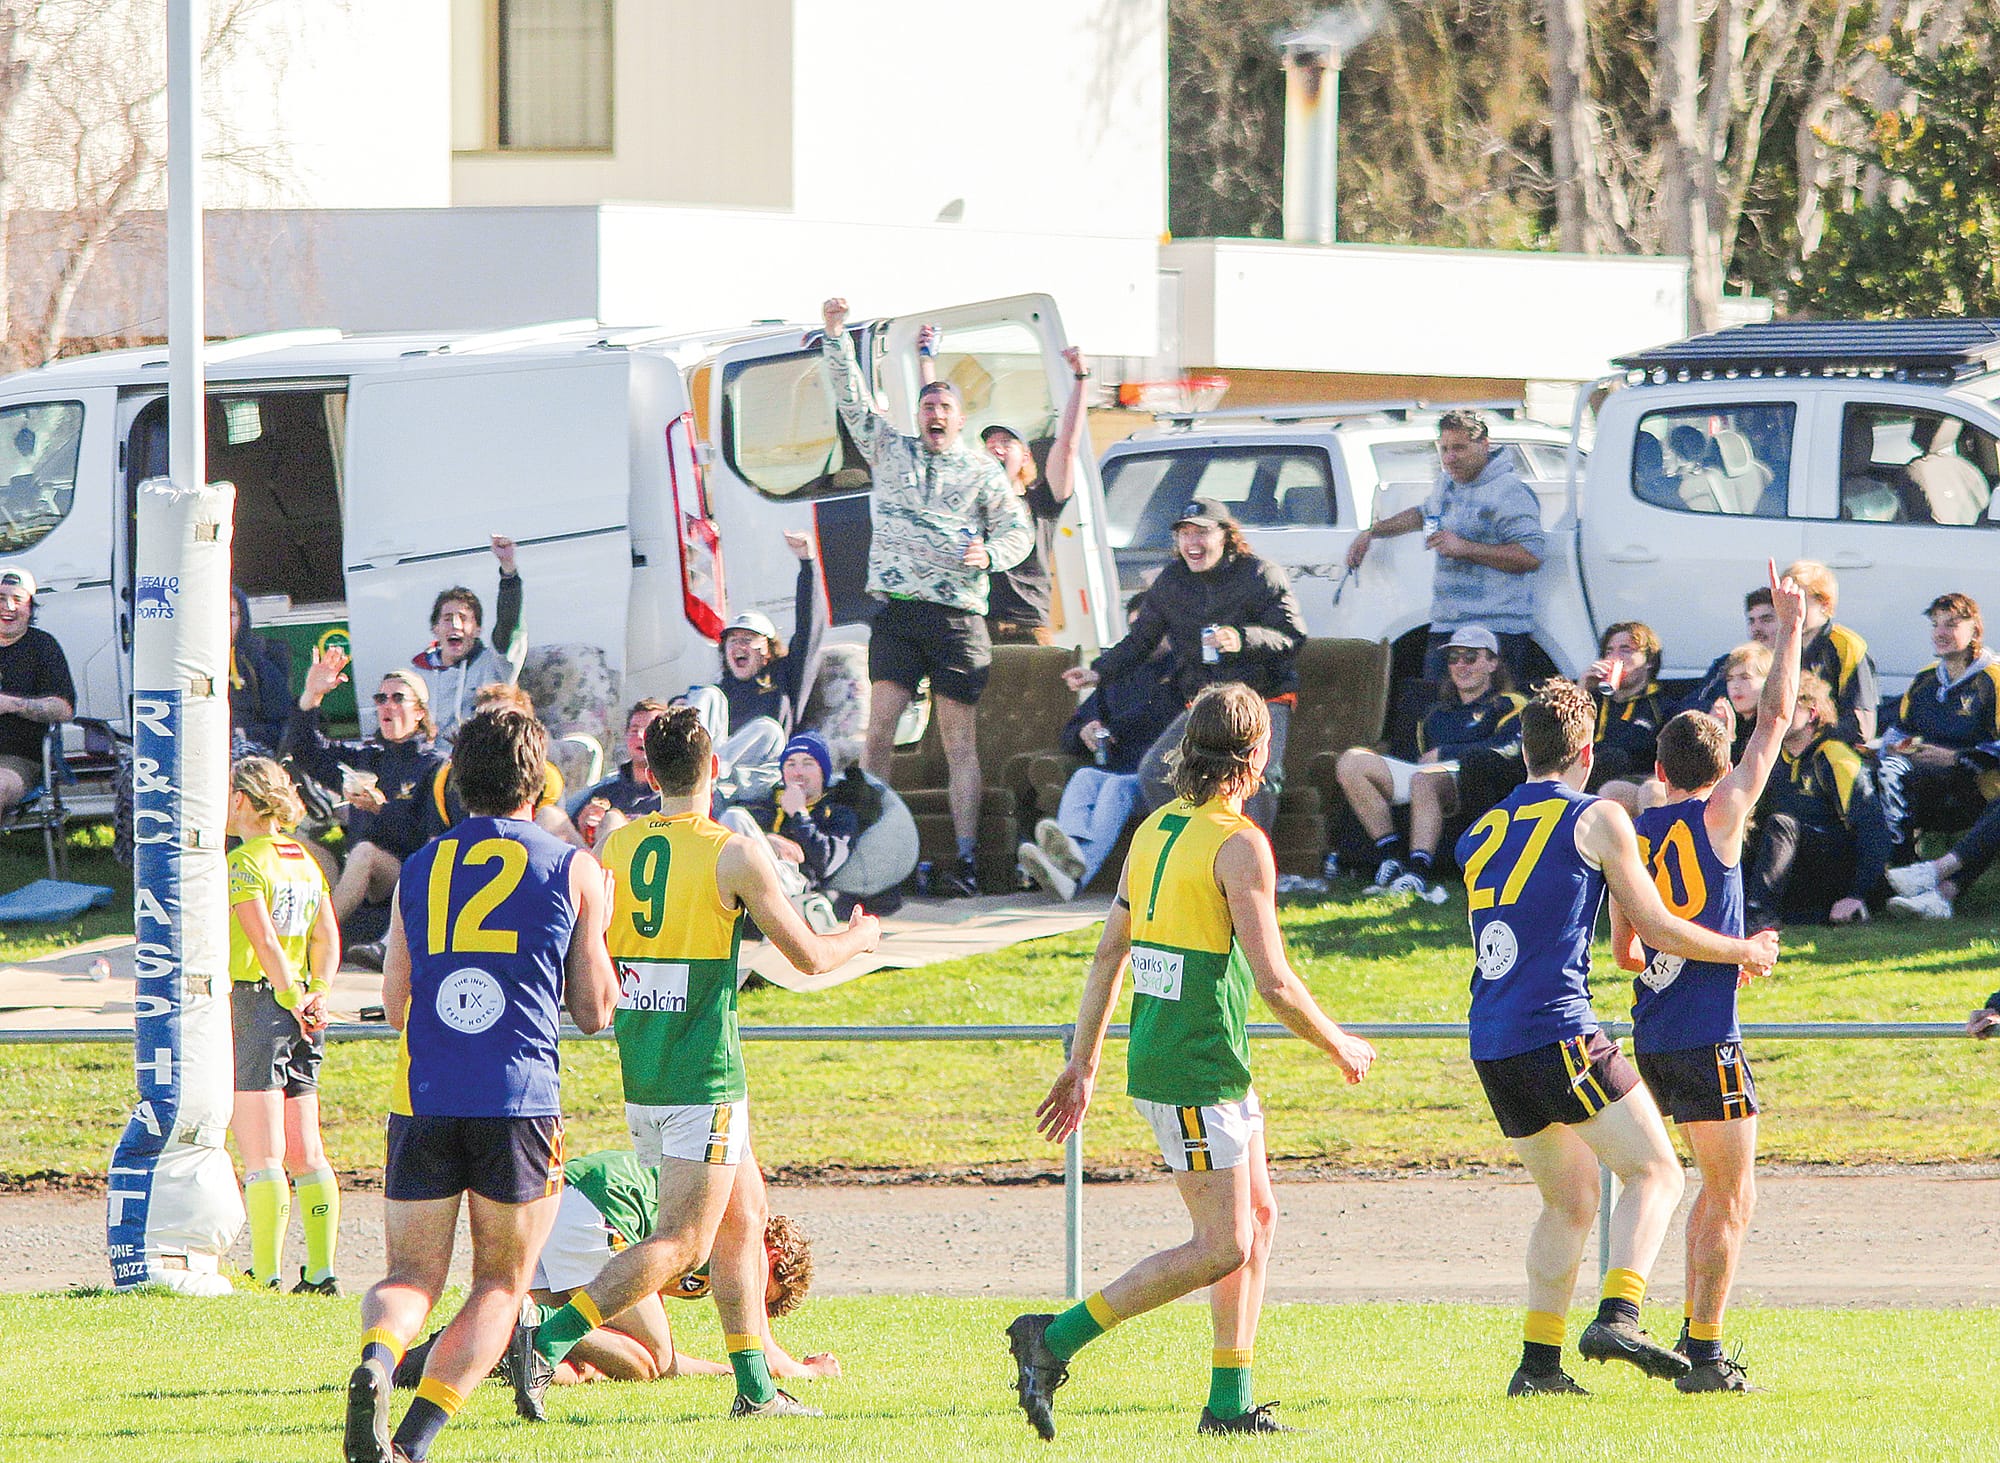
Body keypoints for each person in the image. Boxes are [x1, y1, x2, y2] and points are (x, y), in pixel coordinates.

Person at [1007, 683, 1376, 1440]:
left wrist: (1083, 1062)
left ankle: (1229, 1402)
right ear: (1257, 753)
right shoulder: (1239, 843)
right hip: (1193, 1066)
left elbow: (1110, 950)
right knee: (1224, 1244)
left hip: (1188, 1057)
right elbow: (1272, 979)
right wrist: (1338, 1041)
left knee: (1258, 1221)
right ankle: (1056, 1337)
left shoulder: (1154, 830)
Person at [517, 704, 881, 1423]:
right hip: (703, 1076)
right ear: (714, 769)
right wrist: (860, 937)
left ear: (649, 772)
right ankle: (546, 1340)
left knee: (745, 1221)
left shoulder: (615, 845)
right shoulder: (732, 851)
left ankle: (755, 1388)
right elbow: (806, 955)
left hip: (644, 1070)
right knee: (683, 1242)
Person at [1455, 678, 1778, 1397]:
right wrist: (1742, 951)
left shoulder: (1478, 830)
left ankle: (1539, 1367)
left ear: (1524, 749)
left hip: (1492, 1036)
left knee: (1567, 1201)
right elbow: (1657, 926)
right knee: (1658, 1172)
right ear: (1587, 751)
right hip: (1558, 1026)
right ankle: (1620, 1313)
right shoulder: (1600, 815)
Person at [343, 706, 618, 1463]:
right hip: (518, 1099)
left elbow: (396, 1003)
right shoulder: (573, 866)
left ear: (458, 780)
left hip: (425, 1094)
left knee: (409, 1276)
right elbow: (595, 1011)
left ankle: (377, 1351)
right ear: (540, 780)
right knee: (500, 1283)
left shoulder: (422, 864)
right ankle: (410, 1442)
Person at [1610, 559, 1803, 1393]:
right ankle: (1706, 1350)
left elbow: (1624, 948)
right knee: (1730, 1193)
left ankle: (1644, 1315)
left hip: (1650, 1030)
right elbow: (1779, 720)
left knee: (1671, 1180)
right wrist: (1792, 628)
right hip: (1706, 1032)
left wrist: (1685, 949)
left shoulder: (1641, 830)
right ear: (1718, 769)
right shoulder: (1722, 813)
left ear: (1661, 765)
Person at [821, 296, 1034, 899]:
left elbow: (1018, 531)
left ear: (961, 419)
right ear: (917, 415)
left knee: (957, 742)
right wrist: (835, 335)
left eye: (944, 406)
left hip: (958, 617)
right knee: (880, 728)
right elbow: (853, 403)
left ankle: (966, 857)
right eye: (926, 405)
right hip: (898, 612)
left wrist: (988, 556)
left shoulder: (982, 473)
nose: (934, 413)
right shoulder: (892, 452)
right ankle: (864, 845)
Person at [392, 1148, 835, 1389]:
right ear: (773, 1256)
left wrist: (718, 1368)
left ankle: (438, 1358)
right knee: (649, 1362)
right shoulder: (745, 1236)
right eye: (762, 1291)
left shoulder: (720, 1240)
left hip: (563, 1199)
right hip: (598, 1209)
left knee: (587, 1362)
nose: (741, 1296)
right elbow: (749, 1358)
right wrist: (810, 1372)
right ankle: (526, 1327)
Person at [1065, 499, 1305, 833]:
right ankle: (1197, 851)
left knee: (1257, 780)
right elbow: (1140, 640)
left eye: (1201, 533)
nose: (1192, 543)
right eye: (1184, 534)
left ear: (1225, 535)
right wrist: (1099, 671)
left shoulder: (1261, 574)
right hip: (1206, 700)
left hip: (1261, 698)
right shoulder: (1171, 582)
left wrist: (1241, 639)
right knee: (1156, 774)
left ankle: (1251, 869)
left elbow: (1292, 637)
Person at [225, 756, 341, 1294]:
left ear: (244, 801)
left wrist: (289, 993)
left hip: (260, 1001)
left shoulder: (245, 862)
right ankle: (321, 1270)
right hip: (305, 1011)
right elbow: (327, 938)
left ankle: (266, 1272)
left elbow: (262, 938)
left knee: (262, 1151)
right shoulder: (304, 859)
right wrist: (317, 991)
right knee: (307, 1149)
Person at [1344, 410, 1545, 683]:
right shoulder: (1446, 484)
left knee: (1495, 718)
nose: (1450, 457)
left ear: (1484, 445)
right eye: (1445, 449)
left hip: (1497, 631)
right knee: (1438, 713)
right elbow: (1423, 514)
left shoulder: (1509, 492)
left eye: (1459, 448)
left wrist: (1465, 548)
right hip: (1447, 625)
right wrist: (1373, 532)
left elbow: (1530, 556)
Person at [918, 327, 1088, 646]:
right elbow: (939, 428)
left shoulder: (1041, 501)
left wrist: (1081, 379)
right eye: (990, 444)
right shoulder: (970, 500)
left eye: (1006, 443)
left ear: (1024, 456)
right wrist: (926, 360)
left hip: (1030, 625)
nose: (996, 448)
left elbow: (1067, 444)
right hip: (979, 625)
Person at [1333, 624, 1525, 903]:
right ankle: (1391, 856)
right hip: (1427, 776)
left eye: (1471, 657)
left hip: (1478, 778)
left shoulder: (1510, 703)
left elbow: (1511, 749)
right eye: (1454, 658)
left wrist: (1447, 752)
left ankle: (1418, 871)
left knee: (1425, 778)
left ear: (1493, 663)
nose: (1461, 665)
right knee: (1351, 762)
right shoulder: (1435, 713)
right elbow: (1417, 759)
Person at [1018, 593, 1181, 900]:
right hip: (1117, 770)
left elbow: (1157, 714)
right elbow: (1073, 728)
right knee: (1084, 778)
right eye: (1136, 630)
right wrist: (1085, 731)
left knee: (1114, 789)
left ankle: (1075, 880)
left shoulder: (1182, 671)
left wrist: (1113, 728)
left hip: (1161, 777)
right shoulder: (1118, 676)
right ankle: (1066, 859)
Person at [282, 648, 447, 940]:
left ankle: (315, 940)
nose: (388, 705)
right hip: (353, 870)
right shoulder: (366, 756)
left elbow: (433, 840)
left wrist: (380, 809)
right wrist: (312, 696)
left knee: (365, 853)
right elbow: (306, 751)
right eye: (381, 699)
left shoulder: (433, 764)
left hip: (405, 876)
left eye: (398, 699)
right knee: (288, 844)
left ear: (420, 712)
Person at [1878, 592, 2000, 920]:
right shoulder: (1925, 679)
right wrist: (1902, 748)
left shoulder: (1994, 680)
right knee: (1887, 768)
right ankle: (1902, 875)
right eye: (1935, 625)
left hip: (1978, 790)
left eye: (1951, 624)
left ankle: (1929, 880)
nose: (1940, 632)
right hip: (1928, 783)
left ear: (1975, 630)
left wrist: (1954, 757)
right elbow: (1898, 734)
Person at [679, 530, 828, 795]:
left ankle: (709, 771)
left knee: (767, 728)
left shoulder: (786, 676)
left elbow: (809, 629)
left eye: (748, 639)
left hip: (759, 774)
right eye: (732, 640)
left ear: (767, 650)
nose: (738, 645)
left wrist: (808, 564)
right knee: (703, 696)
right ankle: (689, 770)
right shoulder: (720, 690)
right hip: (714, 782)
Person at [1744, 671, 1890, 929]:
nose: (1774, 713)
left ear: (1812, 714)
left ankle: (1758, 915)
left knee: (1782, 824)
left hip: (1834, 866)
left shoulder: (1835, 757)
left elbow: (1872, 830)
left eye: (1786, 706)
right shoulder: (1772, 757)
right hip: (1793, 867)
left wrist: (1857, 895)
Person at [716, 731, 855, 933]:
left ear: (823, 772)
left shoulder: (837, 813)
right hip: (753, 878)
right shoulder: (766, 804)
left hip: (794, 886)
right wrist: (768, 841)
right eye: (791, 764)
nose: (798, 772)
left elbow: (827, 863)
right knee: (727, 815)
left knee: (734, 817)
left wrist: (800, 814)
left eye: (807, 764)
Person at [419, 682, 583, 849]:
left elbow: (551, 833)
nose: (496, 731)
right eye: (485, 721)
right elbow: (437, 838)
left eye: (508, 722)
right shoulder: (446, 777)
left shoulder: (548, 777)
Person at [410, 535, 524, 746]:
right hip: (431, 764)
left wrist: (508, 571)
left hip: (478, 760)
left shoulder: (494, 665)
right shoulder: (417, 674)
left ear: (478, 629)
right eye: (447, 618)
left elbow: (508, 624)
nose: (455, 625)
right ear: (435, 629)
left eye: (464, 618)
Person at [0, 567, 74, 816]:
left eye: (17, 600)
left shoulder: (42, 646)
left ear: (30, 608)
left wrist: (10, 704)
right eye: (0, 599)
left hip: (17, 760)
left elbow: (63, 709)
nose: (8, 607)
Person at [1781, 559, 1876, 743]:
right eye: (1784, 601)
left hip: (1832, 749)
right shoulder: (1781, 643)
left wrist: (1812, 737)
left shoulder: (1846, 645)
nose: (1788, 609)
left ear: (1824, 603)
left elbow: (1862, 727)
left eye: (1797, 601)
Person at [1579, 621, 1668, 810]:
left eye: (1626, 650)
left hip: (1631, 780)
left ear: (1649, 660)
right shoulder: (1591, 699)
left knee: (1614, 758)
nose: (1615, 658)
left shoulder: (1660, 705)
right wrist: (1581, 690)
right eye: (1609, 651)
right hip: (1584, 777)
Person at [572, 698, 670, 850]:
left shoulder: (675, 793)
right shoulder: (605, 791)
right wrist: (582, 824)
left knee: (612, 820)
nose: (640, 735)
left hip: (647, 866)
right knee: (551, 816)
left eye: (650, 729)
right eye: (634, 729)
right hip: (598, 865)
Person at [229, 585, 294, 755]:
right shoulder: (186, 662)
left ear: (242, 619)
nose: (223, 622)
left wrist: (244, 733)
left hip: (249, 753)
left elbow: (285, 726)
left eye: (231, 615)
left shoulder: (259, 662)